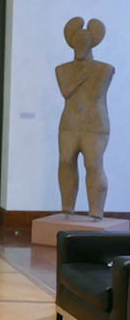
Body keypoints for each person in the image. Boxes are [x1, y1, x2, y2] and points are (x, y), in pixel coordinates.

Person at [56, 16, 114, 220]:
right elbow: (66, 91)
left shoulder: (105, 69)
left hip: (95, 124)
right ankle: (66, 208)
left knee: (93, 164)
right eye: (76, 42)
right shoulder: (62, 70)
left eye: (84, 42)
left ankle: (96, 211)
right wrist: (81, 75)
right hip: (69, 123)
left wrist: (84, 73)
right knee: (65, 161)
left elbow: (94, 94)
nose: (79, 46)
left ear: (92, 43)